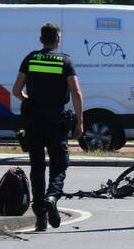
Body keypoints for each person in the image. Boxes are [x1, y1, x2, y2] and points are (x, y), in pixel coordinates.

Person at [11, 22, 84, 231]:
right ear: (57, 40)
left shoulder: (31, 59)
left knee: (37, 166)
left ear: (41, 39)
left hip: (33, 119)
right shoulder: (65, 61)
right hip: (56, 119)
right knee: (59, 163)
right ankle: (52, 197)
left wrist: (29, 99)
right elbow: (76, 93)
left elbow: (16, 90)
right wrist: (80, 121)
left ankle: (40, 218)